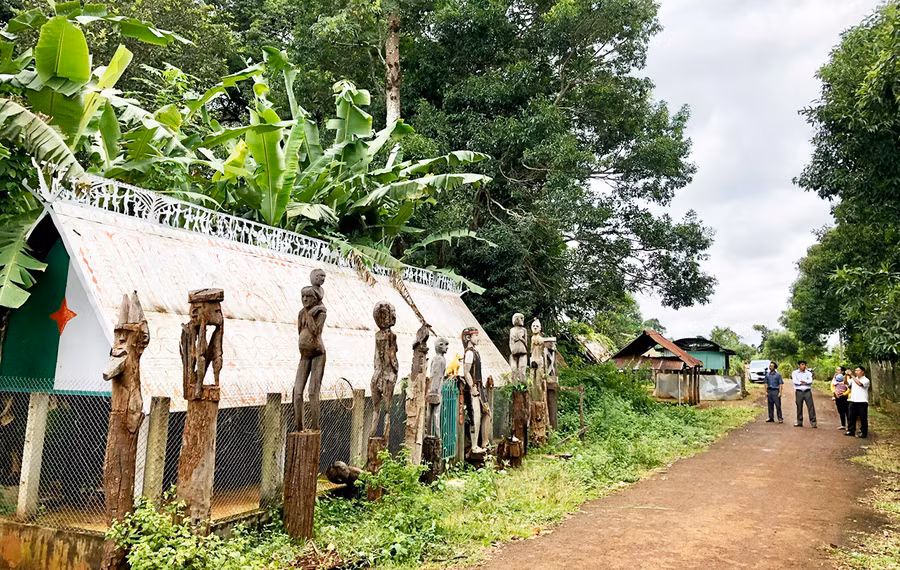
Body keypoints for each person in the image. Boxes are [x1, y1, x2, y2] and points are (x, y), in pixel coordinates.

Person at [845, 366, 870, 438]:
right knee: (851, 416)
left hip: (862, 401)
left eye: (858, 370)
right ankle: (851, 430)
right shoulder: (853, 379)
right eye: (855, 370)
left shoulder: (866, 380)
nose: (856, 372)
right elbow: (846, 383)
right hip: (853, 400)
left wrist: (852, 375)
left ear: (862, 372)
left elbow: (859, 384)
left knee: (863, 418)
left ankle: (863, 432)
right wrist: (846, 375)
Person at [792, 360, 816, 428]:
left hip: (807, 391)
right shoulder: (795, 373)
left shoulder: (808, 373)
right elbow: (795, 381)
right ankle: (799, 422)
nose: (804, 366)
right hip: (799, 391)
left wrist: (804, 382)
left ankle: (813, 422)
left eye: (804, 365)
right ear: (799, 365)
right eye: (802, 364)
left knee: (810, 407)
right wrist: (803, 382)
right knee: (799, 406)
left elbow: (810, 381)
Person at [832, 366, 850, 430]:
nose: (837, 371)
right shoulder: (835, 378)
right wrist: (835, 393)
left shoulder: (847, 378)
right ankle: (843, 425)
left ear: (842, 371)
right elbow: (832, 386)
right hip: (837, 396)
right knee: (840, 410)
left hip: (845, 397)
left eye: (838, 370)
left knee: (847, 411)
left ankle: (849, 425)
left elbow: (849, 388)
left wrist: (844, 394)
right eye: (836, 369)